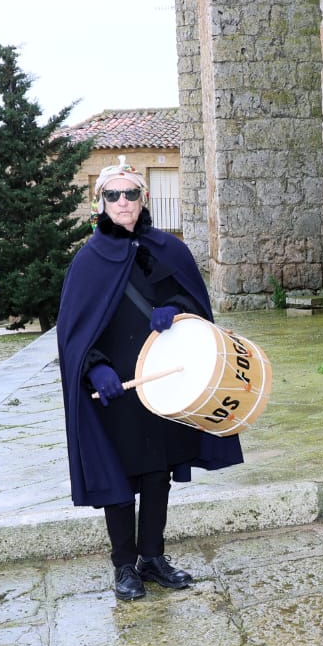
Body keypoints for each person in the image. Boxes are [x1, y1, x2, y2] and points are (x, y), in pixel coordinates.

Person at [57, 159, 241, 599]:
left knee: (158, 471)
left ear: (144, 199)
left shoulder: (168, 250)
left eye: (131, 194)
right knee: (118, 474)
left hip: (163, 379)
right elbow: (74, 332)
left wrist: (175, 310)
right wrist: (94, 366)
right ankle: (124, 565)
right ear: (99, 202)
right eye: (113, 195)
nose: (123, 202)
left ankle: (153, 557)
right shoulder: (88, 261)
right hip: (114, 386)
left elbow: (196, 308)